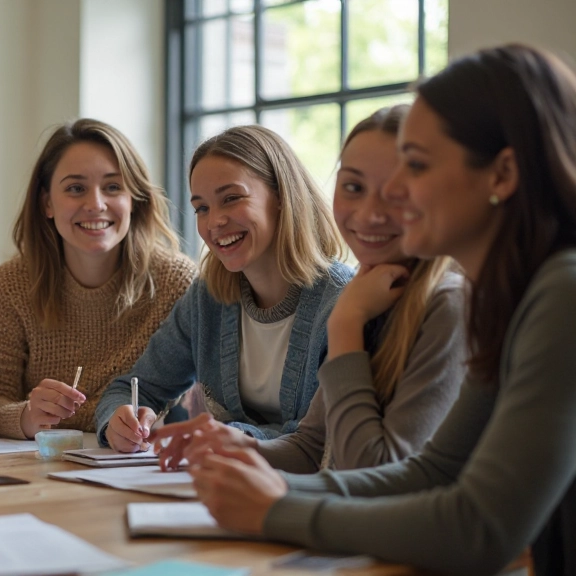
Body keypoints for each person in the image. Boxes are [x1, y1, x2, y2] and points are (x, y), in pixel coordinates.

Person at [179, 44, 576, 575]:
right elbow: (433, 472)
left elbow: (479, 529)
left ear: (501, 175)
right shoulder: (508, 298)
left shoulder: (561, 293)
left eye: (417, 165)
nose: (394, 191)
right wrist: (261, 487)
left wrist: (277, 509)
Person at [152, 105, 466, 473]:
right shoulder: (375, 295)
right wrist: (233, 444)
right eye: (353, 187)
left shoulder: (445, 303)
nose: (368, 213)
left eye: (397, 192)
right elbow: (311, 448)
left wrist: (346, 323)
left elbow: (371, 472)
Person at [96, 125, 351, 451]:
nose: (214, 222)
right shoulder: (207, 299)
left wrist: (231, 436)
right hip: (222, 485)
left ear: (281, 197)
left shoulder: (342, 303)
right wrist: (118, 419)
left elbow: (321, 441)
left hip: (306, 493)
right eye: (202, 207)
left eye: (231, 199)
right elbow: (135, 387)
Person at [0, 118, 196, 439]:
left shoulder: (176, 280)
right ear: (47, 202)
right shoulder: (10, 283)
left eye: (113, 187)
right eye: (76, 189)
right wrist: (25, 416)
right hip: (35, 464)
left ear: (135, 198)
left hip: (136, 463)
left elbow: (170, 400)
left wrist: (112, 419)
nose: (96, 204)